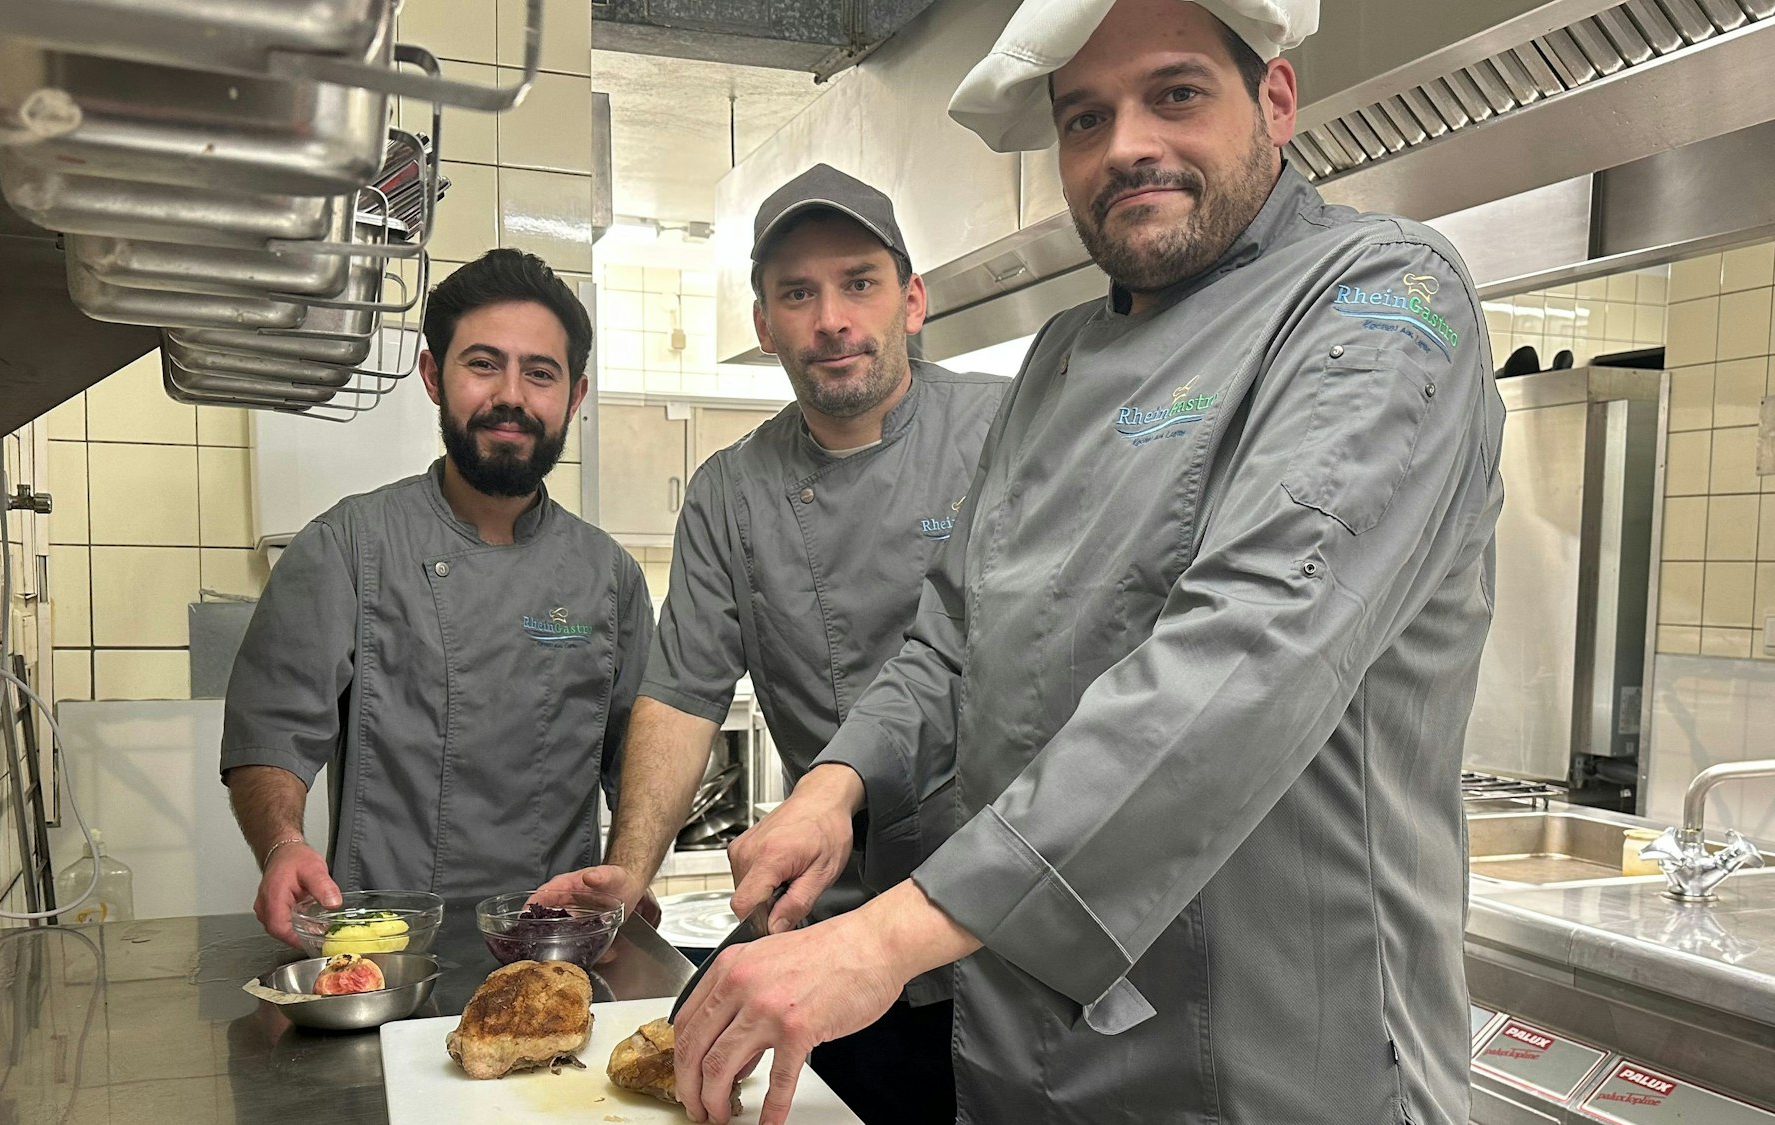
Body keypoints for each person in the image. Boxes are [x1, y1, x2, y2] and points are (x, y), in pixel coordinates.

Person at [670, 1, 1506, 1122]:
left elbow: (1250, 651)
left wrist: (887, 935)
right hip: (1026, 1059)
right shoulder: (1060, 359)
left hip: (1273, 1062)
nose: (1125, 146)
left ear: (1274, 101)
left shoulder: (1381, 298)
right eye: (1083, 118)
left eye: (1175, 93)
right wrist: (835, 785)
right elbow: (952, 638)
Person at [542, 165, 1005, 1123]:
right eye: (797, 293)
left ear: (913, 300)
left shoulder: (1009, 429)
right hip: (823, 922)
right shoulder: (730, 491)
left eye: (859, 283)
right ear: (764, 324)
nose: (831, 319)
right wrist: (632, 871)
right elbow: (682, 694)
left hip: (1002, 928)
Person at [220, 248, 653, 945]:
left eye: (540, 373)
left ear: (574, 397)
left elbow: (641, 758)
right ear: (432, 376)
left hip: (553, 947)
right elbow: (272, 730)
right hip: (385, 947)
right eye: (483, 364)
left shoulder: (610, 577)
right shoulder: (347, 545)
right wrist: (282, 844)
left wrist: (632, 867)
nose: (511, 395)